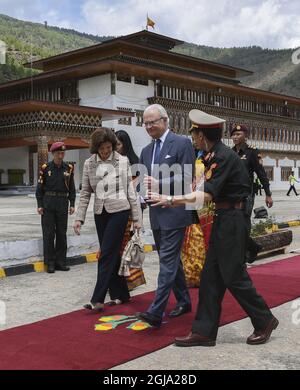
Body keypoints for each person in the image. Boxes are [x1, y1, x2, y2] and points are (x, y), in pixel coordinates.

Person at [149, 109, 278, 346]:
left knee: (234, 275)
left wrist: (170, 200)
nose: (193, 138)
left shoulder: (223, 157)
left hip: (233, 219)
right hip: (223, 217)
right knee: (210, 277)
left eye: (195, 134)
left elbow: (206, 195)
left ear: (203, 135)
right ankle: (204, 331)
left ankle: (264, 320)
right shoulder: (211, 155)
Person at [137, 104, 196, 327]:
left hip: (175, 212)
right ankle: (184, 300)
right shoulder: (145, 151)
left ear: (165, 120)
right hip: (156, 214)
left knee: (167, 263)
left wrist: (160, 182)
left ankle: (156, 310)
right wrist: (139, 202)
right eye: (146, 123)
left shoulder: (182, 143)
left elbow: (187, 178)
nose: (149, 126)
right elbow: (143, 185)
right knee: (169, 260)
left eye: (153, 121)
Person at [73, 128, 141, 312]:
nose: (105, 151)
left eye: (108, 147)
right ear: (96, 147)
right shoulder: (89, 164)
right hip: (100, 213)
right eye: (102, 148)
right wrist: (79, 218)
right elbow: (86, 192)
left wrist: (137, 218)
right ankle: (122, 294)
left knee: (106, 253)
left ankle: (98, 298)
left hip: (120, 211)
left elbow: (130, 191)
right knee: (112, 254)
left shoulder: (122, 161)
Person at [231, 124, 273, 262]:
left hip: (247, 195)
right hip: (231, 195)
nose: (235, 137)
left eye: (239, 134)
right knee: (234, 225)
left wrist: (268, 194)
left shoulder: (252, 152)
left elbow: (261, 174)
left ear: (245, 136)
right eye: (234, 134)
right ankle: (253, 247)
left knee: (243, 224)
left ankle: (242, 256)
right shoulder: (231, 153)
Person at [35, 142, 76, 274]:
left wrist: (72, 203)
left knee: (61, 234)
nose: (60, 155)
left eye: (62, 153)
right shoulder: (46, 168)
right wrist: (40, 204)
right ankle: (50, 263)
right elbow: (39, 188)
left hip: (63, 203)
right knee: (48, 234)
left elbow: (72, 188)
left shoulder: (68, 168)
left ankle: (60, 262)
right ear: (53, 154)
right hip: (48, 203)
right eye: (58, 153)